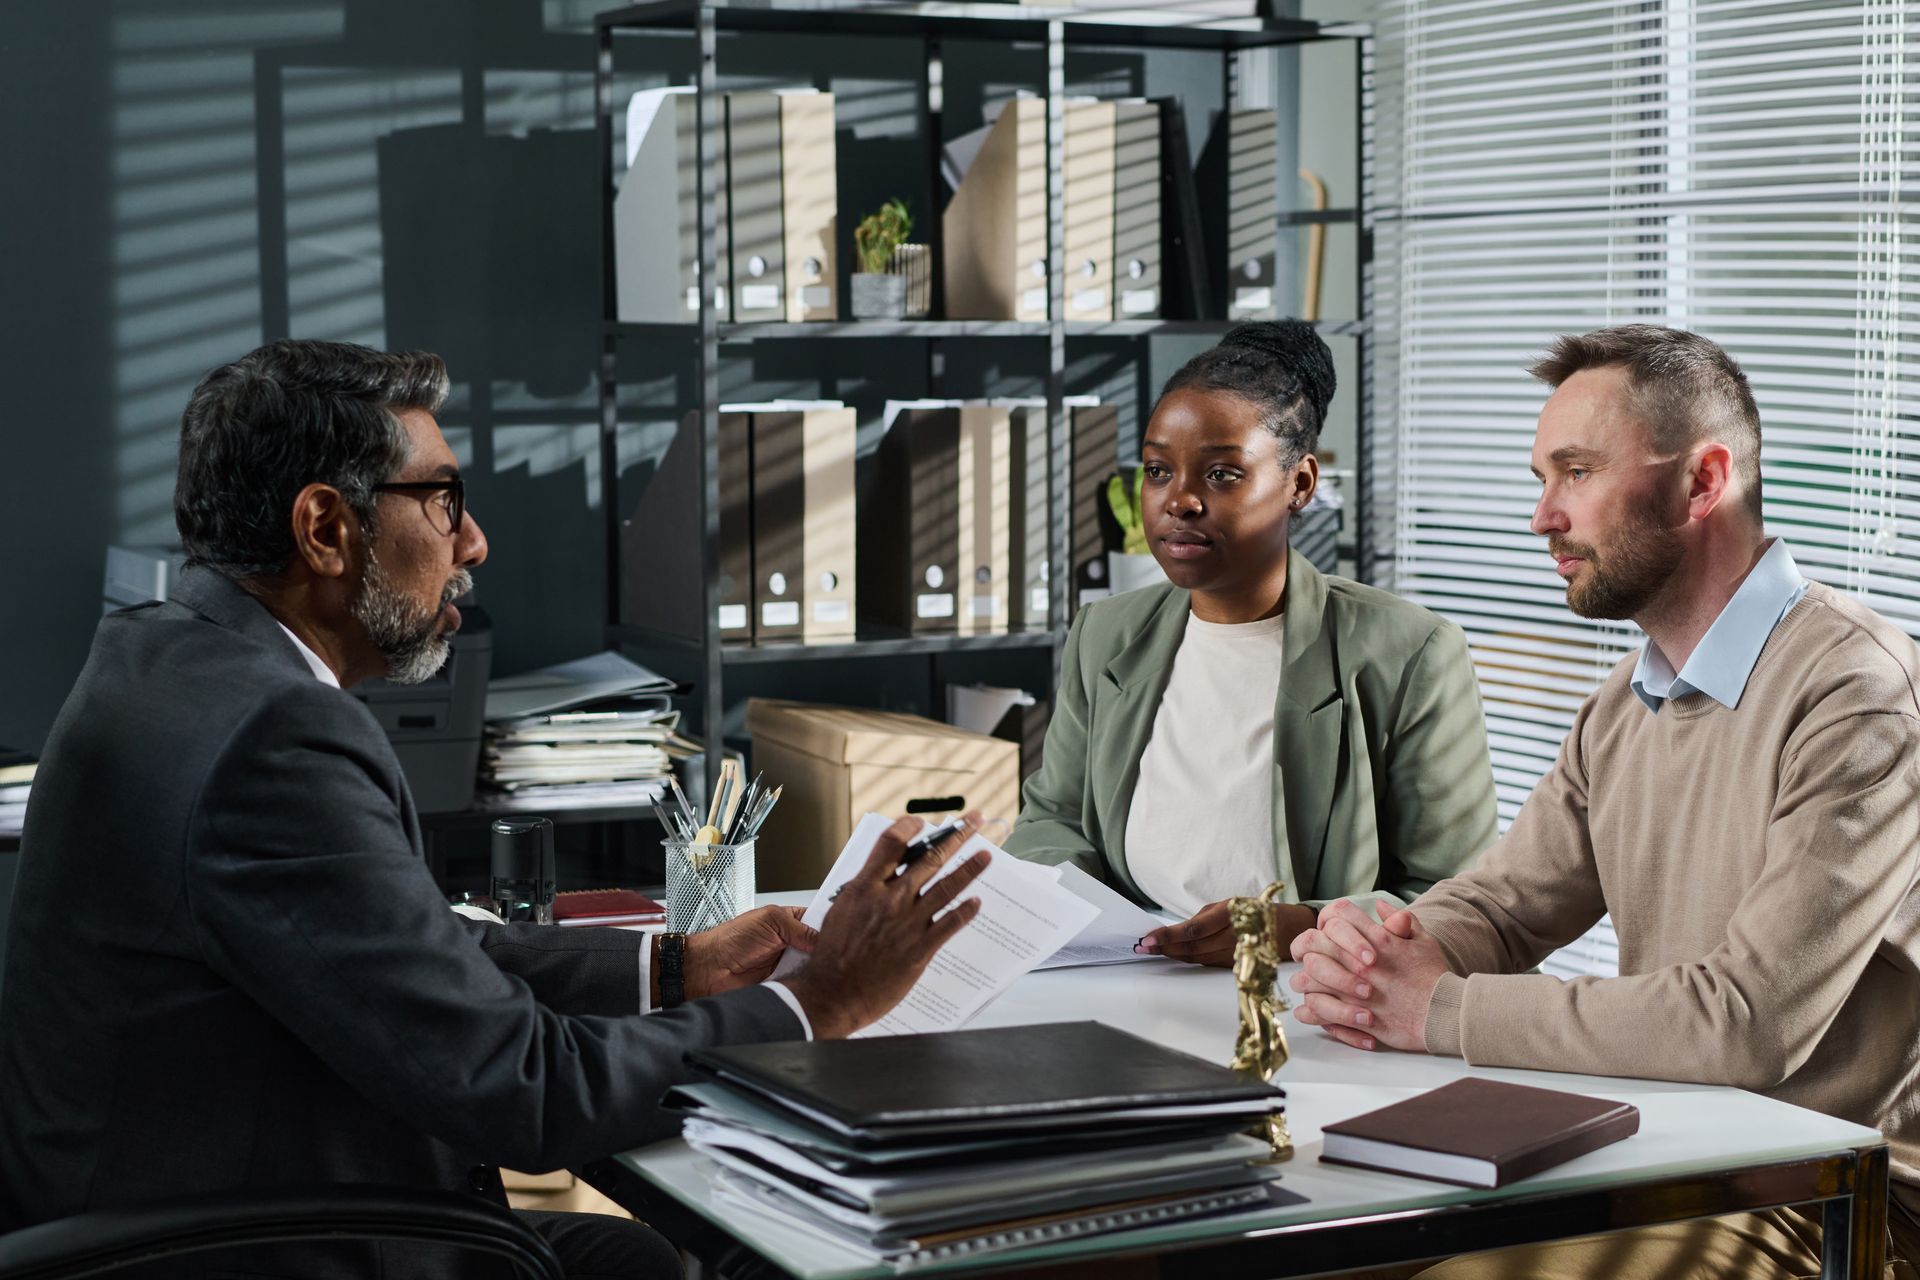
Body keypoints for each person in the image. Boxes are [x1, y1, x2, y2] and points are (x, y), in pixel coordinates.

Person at [0, 340, 991, 1279]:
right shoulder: (274, 737)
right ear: (325, 528)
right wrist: (821, 1002)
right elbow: (522, 1087)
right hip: (245, 1242)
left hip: (173, 1194)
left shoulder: (162, 651)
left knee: (640, 1254)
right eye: (441, 499)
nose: (472, 539)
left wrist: (678, 965)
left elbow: (401, 950)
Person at [1290, 324, 1920, 1278]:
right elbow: (1505, 905)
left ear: (1704, 483)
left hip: (1830, 1192)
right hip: (1674, 1148)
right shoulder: (1627, 698)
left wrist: (1440, 1011)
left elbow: (1744, 1024)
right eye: (1543, 477)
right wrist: (1383, 952)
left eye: (1576, 473)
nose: (1543, 517)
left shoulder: (1857, 696)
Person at [1004, 320, 1497, 965]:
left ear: (1300, 484)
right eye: (1158, 470)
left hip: (1306, 992)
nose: (1179, 500)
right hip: (1125, 971)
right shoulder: (1106, 634)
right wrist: (1092, 921)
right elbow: (1051, 822)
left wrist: (1291, 928)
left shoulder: (1407, 652)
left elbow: (1459, 901)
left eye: (1223, 475)